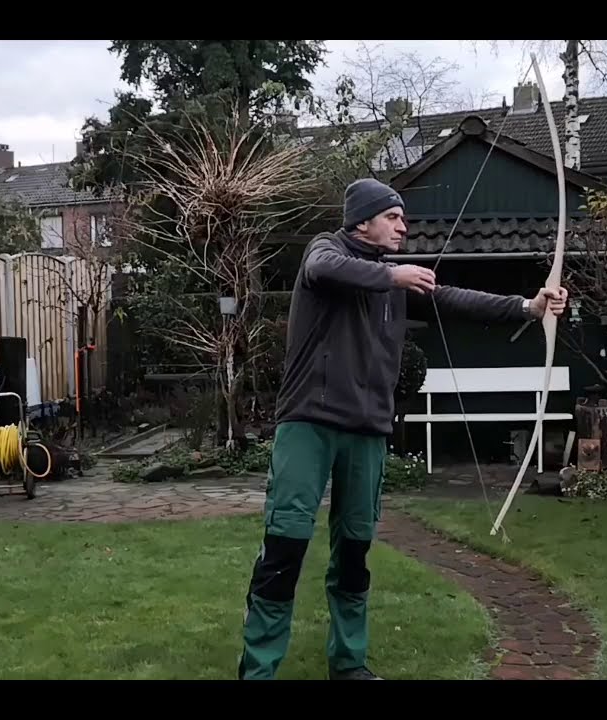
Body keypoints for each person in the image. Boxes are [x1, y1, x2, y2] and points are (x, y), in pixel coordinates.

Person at [236, 178, 568, 680]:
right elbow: (325, 268)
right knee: (284, 548)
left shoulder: (396, 280)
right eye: (393, 216)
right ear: (361, 221)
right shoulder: (326, 252)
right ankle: (258, 669)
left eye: (403, 217)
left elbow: (456, 298)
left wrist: (529, 306)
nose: (403, 226)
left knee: (354, 551)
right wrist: (392, 278)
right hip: (309, 423)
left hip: (367, 429)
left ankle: (349, 664)